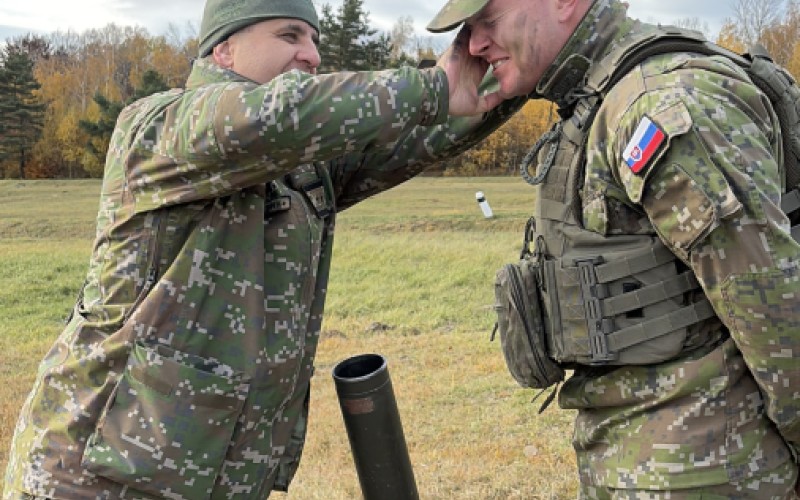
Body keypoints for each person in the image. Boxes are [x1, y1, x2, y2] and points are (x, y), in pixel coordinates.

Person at [2, 0, 525, 497]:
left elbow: (429, 128)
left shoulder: (302, 165)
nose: (312, 55)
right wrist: (433, 86)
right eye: (289, 35)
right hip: (92, 481)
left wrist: (516, 63)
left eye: (315, 40)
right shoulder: (161, 127)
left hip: (205, 481)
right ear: (223, 50)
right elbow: (274, 116)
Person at [426, 0, 800, 498]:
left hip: (709, 471)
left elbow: (774, 310)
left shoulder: (660, 104)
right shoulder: (598, 97)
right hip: (644, 463)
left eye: (487, 21)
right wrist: (434, 96)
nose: (473, 45)